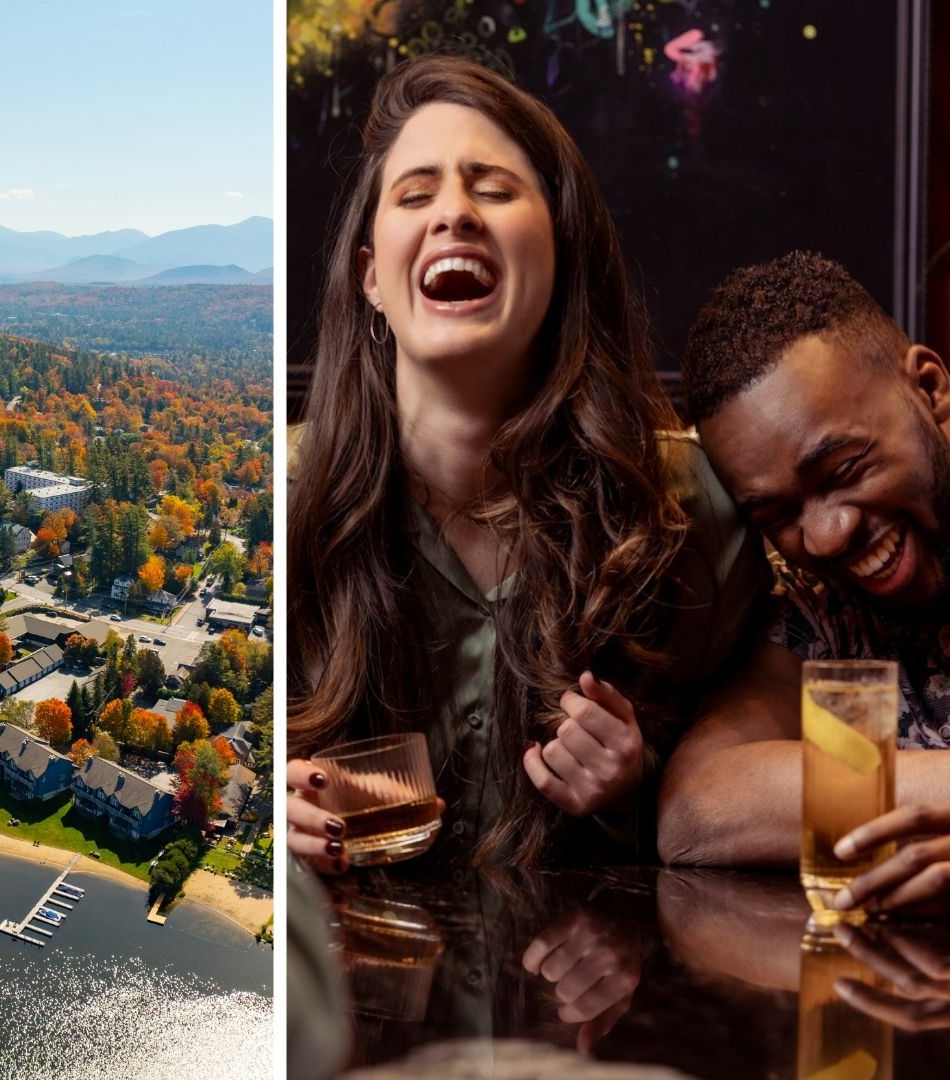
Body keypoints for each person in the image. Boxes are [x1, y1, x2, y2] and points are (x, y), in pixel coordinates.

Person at [286, 55, 763, 872]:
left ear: (562, 252)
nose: (454, 214)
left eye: (494, 188)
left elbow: (768, 762)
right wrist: (278, 820)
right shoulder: (285, 501)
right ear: (370, 277)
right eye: (415, 193)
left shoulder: (685, 511)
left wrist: (637, 788)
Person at [659, 251, 950, 914]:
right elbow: (699, 808)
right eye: (778, 514)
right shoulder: (820, 609)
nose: (827, 536)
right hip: (908, 1000)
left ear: (928, 387)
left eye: (843, 470)